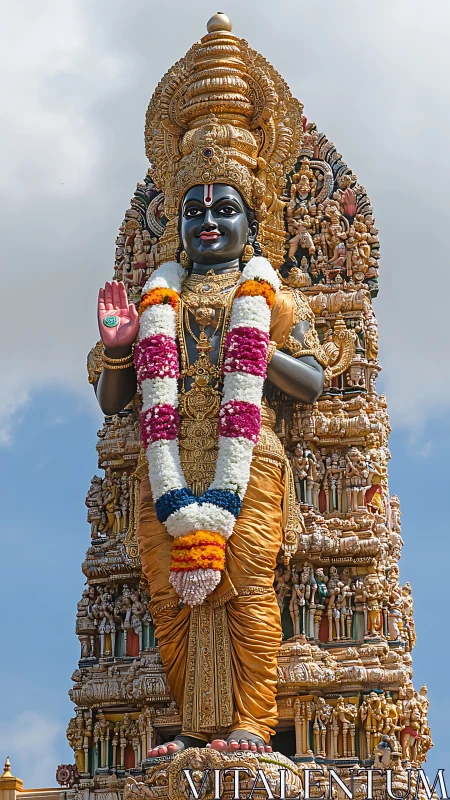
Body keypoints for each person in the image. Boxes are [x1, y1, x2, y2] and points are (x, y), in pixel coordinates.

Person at [93, 13, 328, 758]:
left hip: (247, 461)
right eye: (193, 209)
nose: (206, 221)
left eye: (224, 208)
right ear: (174, 220)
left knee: (247, 590)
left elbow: (315, 382)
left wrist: (249, 353)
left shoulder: (271, 297)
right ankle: (192, 728)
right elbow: (112, 401)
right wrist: (122, 347)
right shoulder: (156, 300)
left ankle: (251, 724)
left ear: (251, 218)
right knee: (170, 594)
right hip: (166, 464)